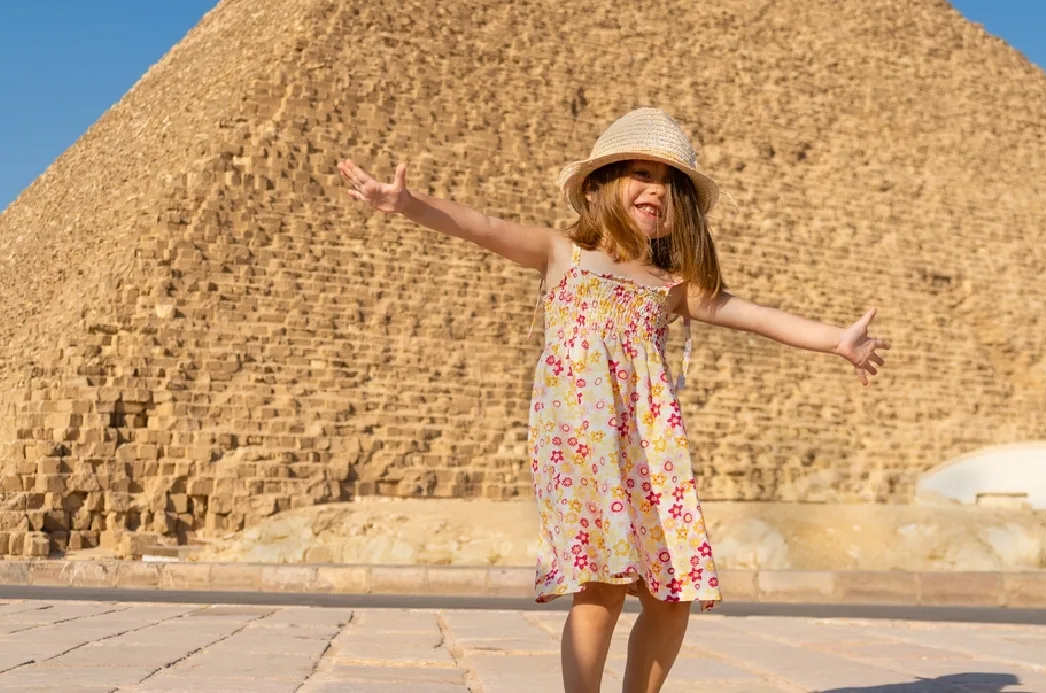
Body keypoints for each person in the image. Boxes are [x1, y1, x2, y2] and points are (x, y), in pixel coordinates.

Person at [337, 107, 890, 693]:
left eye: (669, 183)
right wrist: (409, 204)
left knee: (671, 592)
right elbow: (481, 225)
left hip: (652, 450)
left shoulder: (670, 287)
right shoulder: (559, 253)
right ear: (601, 186)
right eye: (640, 174)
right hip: (582, 443)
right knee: (600, 586)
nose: (655, 190)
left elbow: (754, 316)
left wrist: (837, 340)